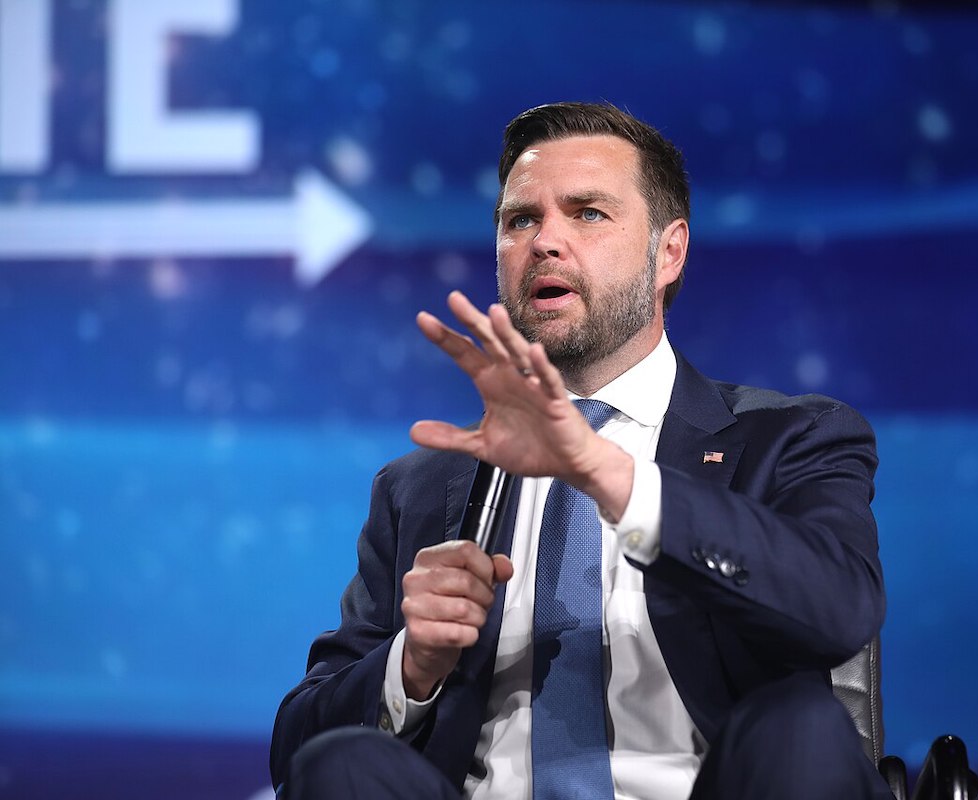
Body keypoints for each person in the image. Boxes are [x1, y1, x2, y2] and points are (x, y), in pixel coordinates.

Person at [270, 102, 892, 799]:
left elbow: (840, 609)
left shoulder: (789, 438)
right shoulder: (417, 489)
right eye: (520, 220)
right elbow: (297, 753)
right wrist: (411, 665)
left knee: (800, 729)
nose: (545, 241)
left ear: (669, 251)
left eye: (588, 213)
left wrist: (605, 471)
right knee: (343, 764)